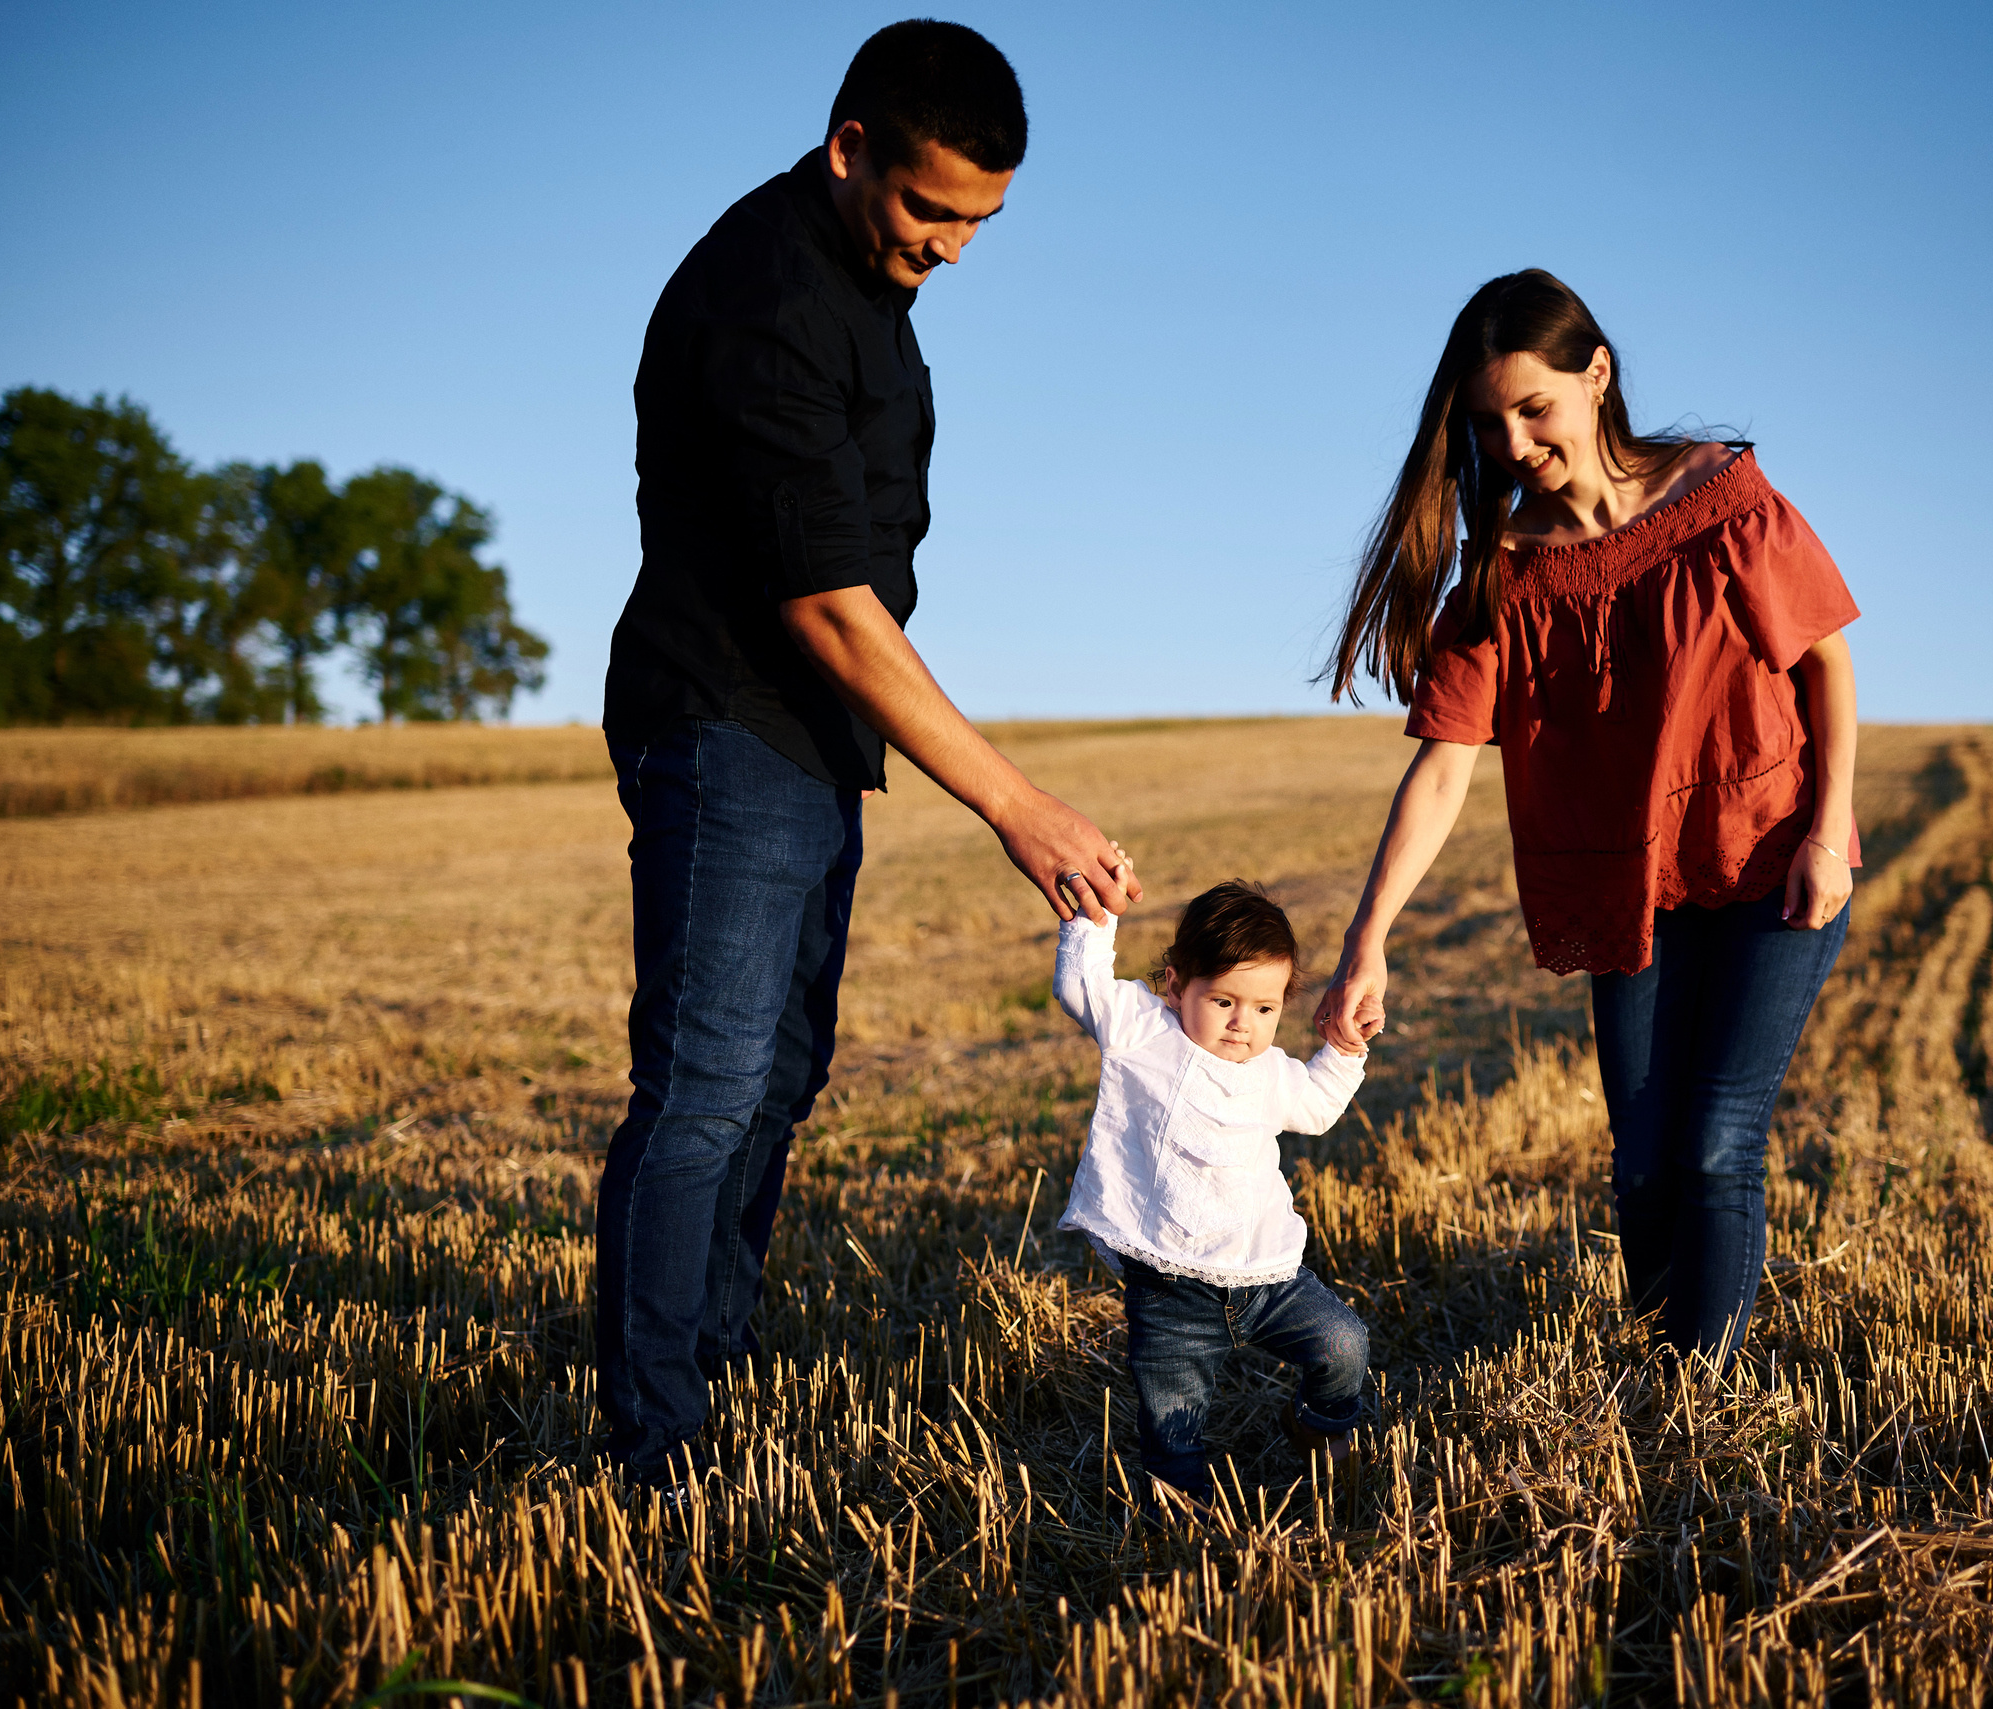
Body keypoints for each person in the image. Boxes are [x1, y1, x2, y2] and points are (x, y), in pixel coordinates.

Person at [596, 21, 1141, 1489]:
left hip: (810, 745)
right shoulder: (762, 296)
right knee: (705, 1084)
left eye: (984, 221)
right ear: (850, 150)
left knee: (778, 1075)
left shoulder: (865, 285)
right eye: (933, 210)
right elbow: (831, 606)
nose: (958, 248)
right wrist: (1015, 803)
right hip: (728, 722)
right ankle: (652, 1439)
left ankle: (707, 1356)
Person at [1313, 270, 1860, 1365]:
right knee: (1645, 1162)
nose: (1513, 442)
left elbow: (1825, 659)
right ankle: (1662, 1374)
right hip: (1633, 891)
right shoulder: (1504, 578)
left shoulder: (1723, 501)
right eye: (1488, 422)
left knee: (1713, 1150)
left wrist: (1831, 827)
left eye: (1533, 407)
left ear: (1595, 373)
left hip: (1770, 864)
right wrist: (1365, 941)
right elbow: (1439, 769)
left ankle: (1697, 1406)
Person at [1054, 880, 1373, 1503]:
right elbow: (1080, 986)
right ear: (1176, 986)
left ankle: (1319, 1425)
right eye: (1223, 1000)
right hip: (1171, 1291)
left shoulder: (1270, 1072)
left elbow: (1318, 1107)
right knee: (1171, 1424)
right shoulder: (1144, 1033)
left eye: (1264, 1009)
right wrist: (1096, 915)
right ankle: (1180, 1517)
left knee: (1344, 1343)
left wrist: (1344, 1048)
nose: (1242, 1024)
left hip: (1269, 1278)